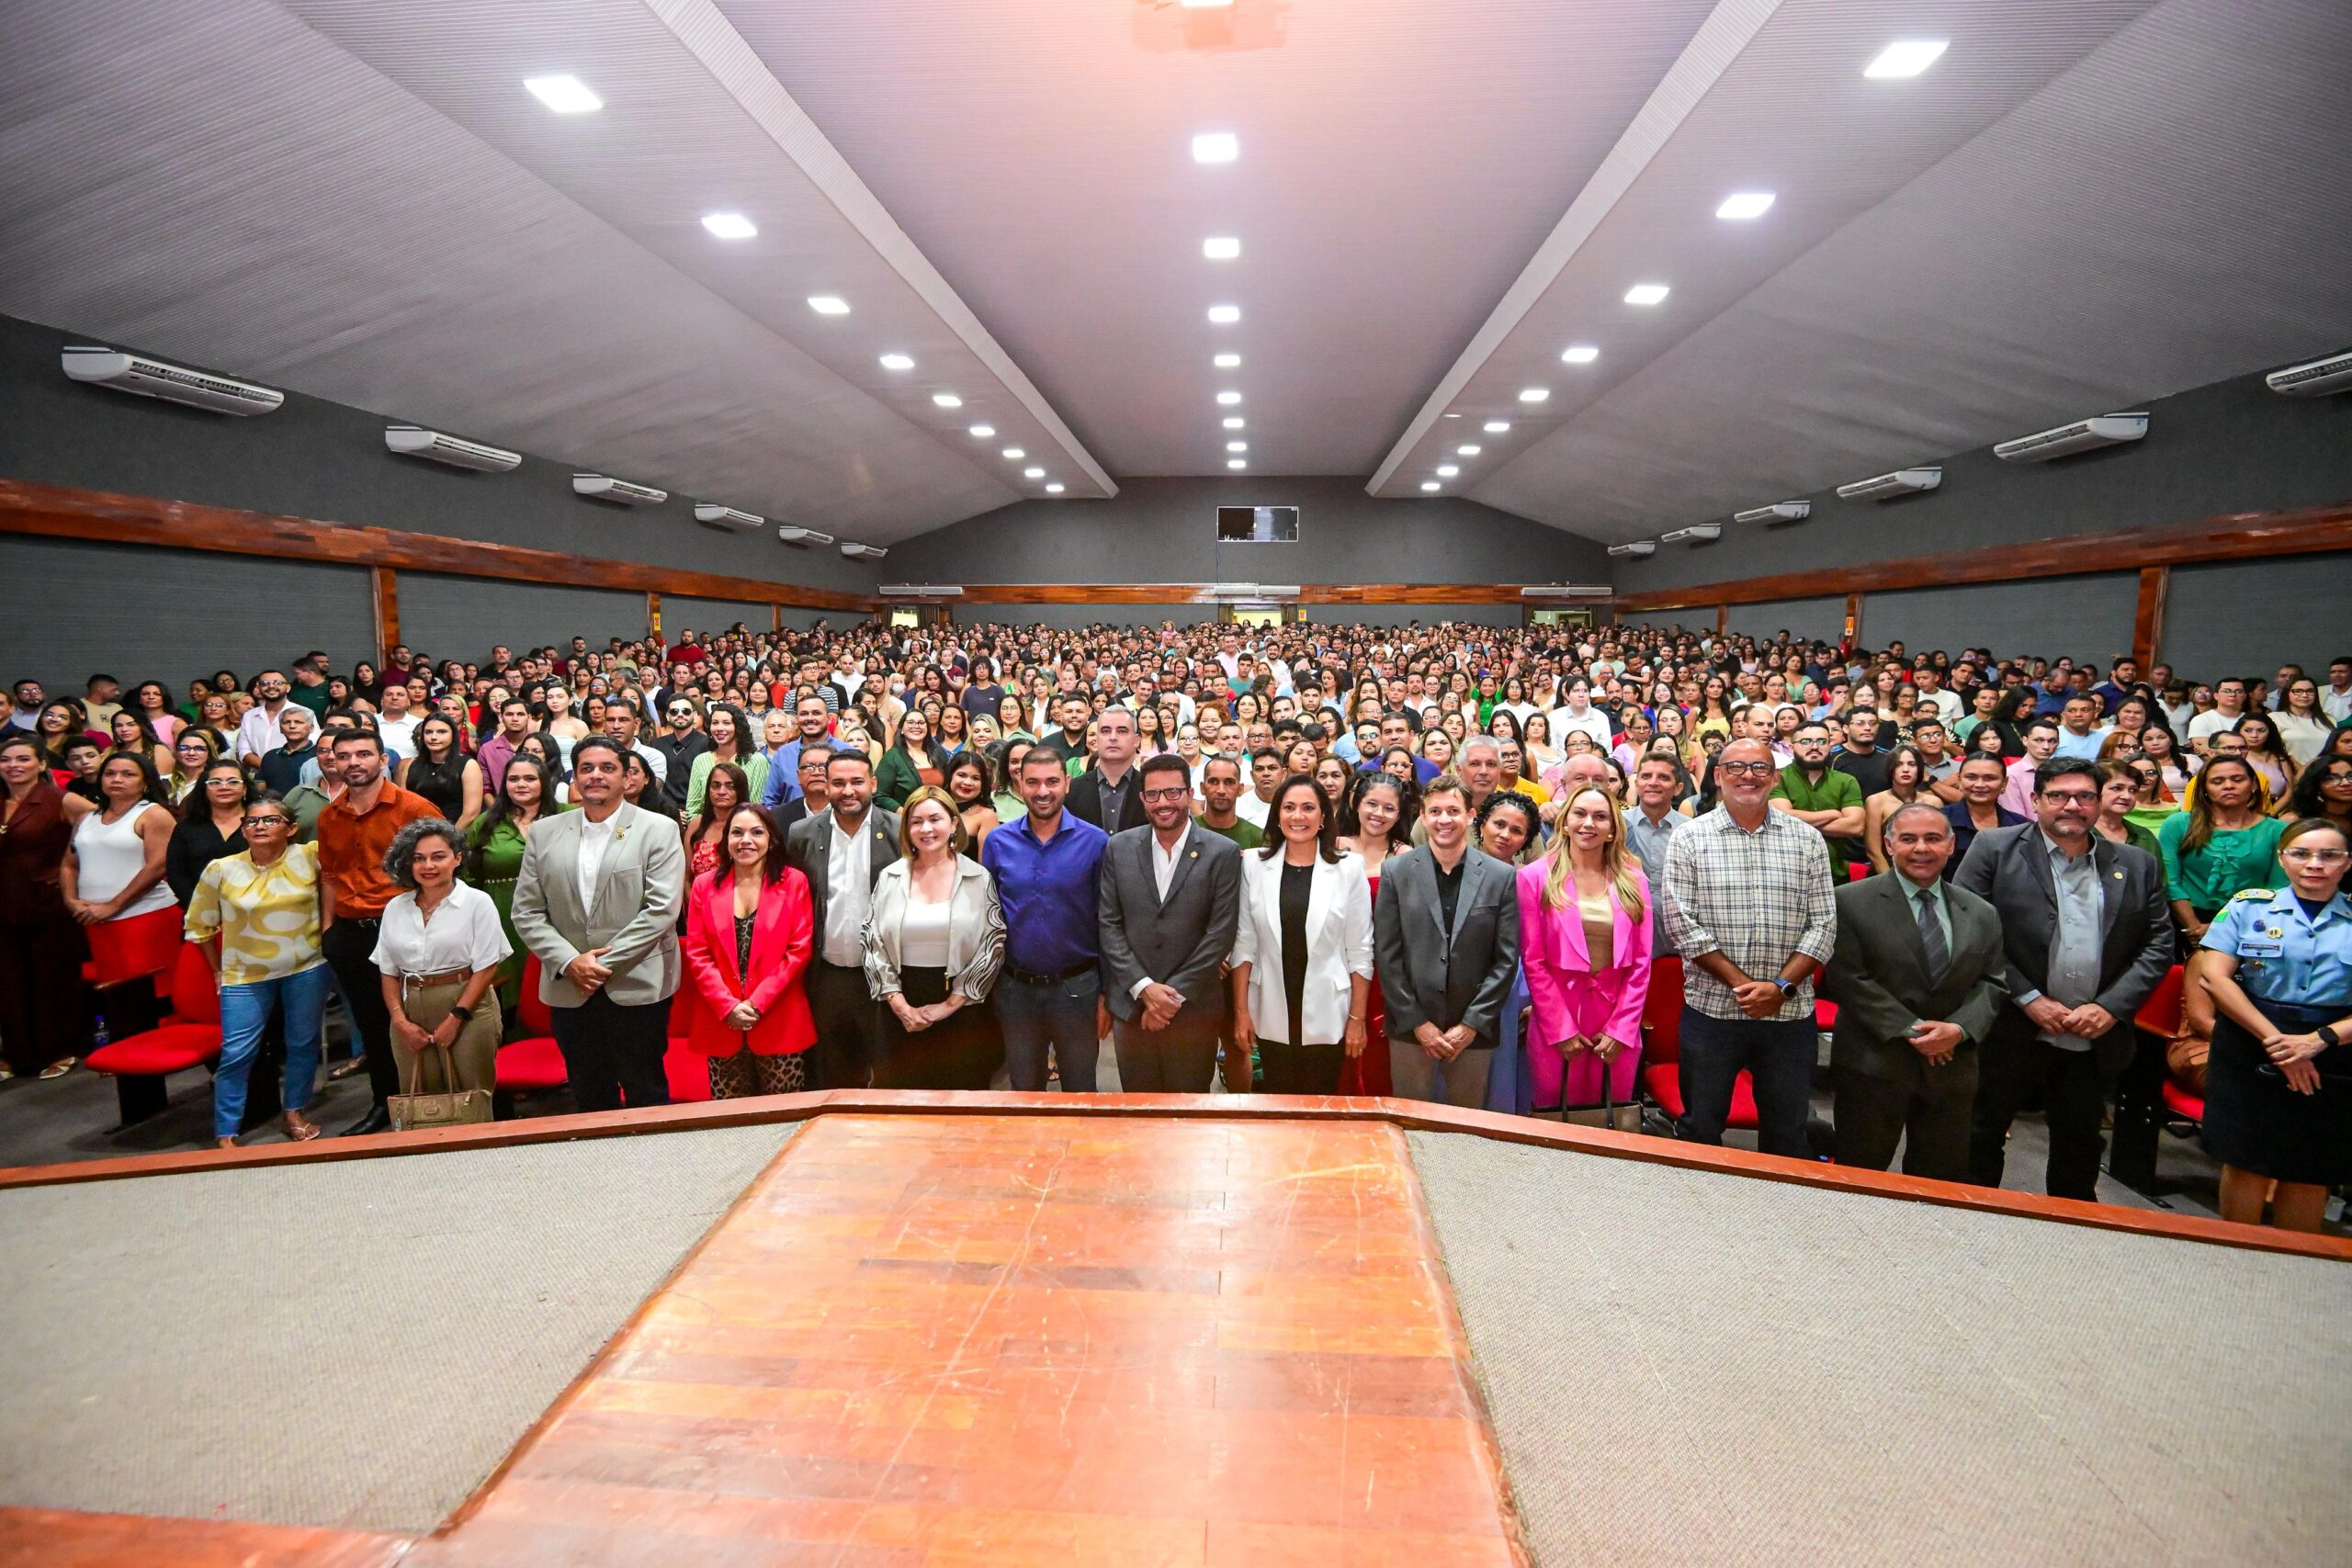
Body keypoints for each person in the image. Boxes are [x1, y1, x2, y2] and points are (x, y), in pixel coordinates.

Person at [1954, 759, 2174, 1201]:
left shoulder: (2137, 863)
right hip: (2008, 1026)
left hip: (2093, 1034)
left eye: (2085, 796)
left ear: (2099, 803)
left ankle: (2072, 1226)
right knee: (1980, 1133)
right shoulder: (1994, 848)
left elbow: (2158, 945)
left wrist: (2111, 1007)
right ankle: (1968, 1217)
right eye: (2058, 795)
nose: (2072, 805)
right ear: (2036, 801)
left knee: (2079, 1144)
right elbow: (1967, 929)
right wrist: (2028, 997)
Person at [1657, 738, 1838, 1158]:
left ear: (1775, 779)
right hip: (1713, 1012)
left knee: (1788, 1131)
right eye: (1736, 767)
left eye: (1760, 768)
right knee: (1701, 1127)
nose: (1748, 776)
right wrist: (1747, 988)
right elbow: (1682, 925)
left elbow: (1824, 924)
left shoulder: (1808, 840)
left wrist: (1779, 988)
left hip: (1789, 1014)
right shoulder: (1689, 838)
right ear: (1718, 776)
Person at [1821, 803, 2007, 1181]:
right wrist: (1914, 1030)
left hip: (1952, 1065)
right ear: (1889, 845)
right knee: (1859, 1177)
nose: (1921, 848)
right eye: (1908, 839)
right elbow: (1846, 978)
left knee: (1940, 1180)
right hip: (1874, 1062)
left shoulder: (1981, 911)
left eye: (1932, 838)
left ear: (1951, 845)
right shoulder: (1849, 901)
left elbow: (1993, 982)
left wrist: (1958, 1030)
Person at [511, 736, 688, 1112]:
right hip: (569, 985)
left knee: (646, 1093)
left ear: (626, 778)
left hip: (637, 984)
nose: (596, 776)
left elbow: (661, 910)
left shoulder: (658, 829)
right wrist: (570, 962)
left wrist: (597, 965)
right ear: (574, 777)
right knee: (589, 1095)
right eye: (586, 768)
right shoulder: (545, 832)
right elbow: (526, 911)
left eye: (608, 768)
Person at [2192, 818, 2352, 1233]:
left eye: (2329, 855)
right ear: (2282, 860)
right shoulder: (2248, 907)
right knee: (2246, 1159)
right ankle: (2238, 1251)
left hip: (2334, 1046)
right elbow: (2214, 977)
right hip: (2251, 1039)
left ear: (2347, 863)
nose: (2314, 864)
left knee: (2310, 1167)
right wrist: (2278, 1041)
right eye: (2301, 853)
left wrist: (2318, 1040)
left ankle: (2295, 1261)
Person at [179, 793, 325, 1145]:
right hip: (244, 975)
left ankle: (294, 1112)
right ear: (243, 830)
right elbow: (199, 926)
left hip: (306, 967)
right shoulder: (221, 869)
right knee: (236, 1052)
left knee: (302, 1043)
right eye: (252, 821)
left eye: (271, 820)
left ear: (291, 828)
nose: (260, 826)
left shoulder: (311, 856)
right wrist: (218, 971)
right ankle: (226, 1131)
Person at [1374, 773, 1521, 1108]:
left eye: (1453, 811)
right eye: (1435, 811)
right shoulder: (1396, 872)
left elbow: (1506, 959)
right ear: (1423, 816)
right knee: (1411, 1122)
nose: (1444, 819)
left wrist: (1471, 1024)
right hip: (1410, 1027)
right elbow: (1387, 955)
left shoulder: (1500, 877)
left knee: (1464, 1127)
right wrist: (1418, 1023)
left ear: (1470, 816)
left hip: (1474, 1031)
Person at [1097, 754, 1242, 1093]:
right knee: (1140, 1110)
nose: (1163, 802)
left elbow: (1220, 934)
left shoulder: (1222, 852)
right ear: (1142, 798)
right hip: (1132, 1008)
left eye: (1173, 792)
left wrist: (1169, 1000)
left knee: (1189, 1112)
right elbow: (1109, 924)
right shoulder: (1119, 847)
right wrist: (1144, 988)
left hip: (1194, 1011)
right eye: (1153, 794)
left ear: (1190, 794)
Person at [1230, 774, 1374, 1096]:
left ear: (1323, 817)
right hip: (1269, 1008)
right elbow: (1244, 944)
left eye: (1308, 808)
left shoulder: (1349, 868)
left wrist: (1357, 1019)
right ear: (1277, 815)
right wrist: (1241, 1012)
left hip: (1330, 1012)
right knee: (1278, 1102)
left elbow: (1361, 951)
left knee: (1321, 1107)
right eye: (1289, 808)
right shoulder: (1253, 864)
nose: (1298, 816)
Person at [981, 748, 1109, 1092]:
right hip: (1016, 989)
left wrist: (1106, 993)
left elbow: (1107, 920)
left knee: (1081, 1091)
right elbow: (987, 918)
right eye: (1033, 782)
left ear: (1067, 783)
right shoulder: (997, 842)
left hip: (1077, 987)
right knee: (1024, 1091)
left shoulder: (1096, 842)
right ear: (1019, 783)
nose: (1042, 791)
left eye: (1052, 782)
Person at [864, 785, 1007, 1089]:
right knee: (899, 1099)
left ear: (954, 823)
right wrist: (899, 1004)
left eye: (935, 819)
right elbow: (871, 940)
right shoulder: (890, 877)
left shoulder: (978, 878)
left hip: (963, 1007)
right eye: (916, 821)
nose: (926, 829)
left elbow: (993, 942)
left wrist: (952, 1004)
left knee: (961, 1099)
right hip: (898, 1005)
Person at [681, 802, 819, 1098]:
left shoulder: (794, 882)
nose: (746, 840)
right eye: (737, 833)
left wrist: (757, 1003)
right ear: (726, 839)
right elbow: (698, 954)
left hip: (779, 1018)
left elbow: (799, 951)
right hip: (722, 1020)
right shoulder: (704, 886)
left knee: (783, 1115)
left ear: (771, 839)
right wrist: (727, 1006)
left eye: (756, 832)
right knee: (730, 1116)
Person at [372, 818, 509, 1112]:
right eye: (418, 858)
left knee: (472, 1097)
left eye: (438, 857)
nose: (428, 866)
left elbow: (486, 967)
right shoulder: (395, 907)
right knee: (420, 1100)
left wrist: (455, 1019)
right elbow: (387, 971)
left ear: (457, 859)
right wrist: (400, 1022)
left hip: (466, 1004)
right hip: (409, 1007)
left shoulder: (477, 902)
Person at [785, 750, 901, 1089]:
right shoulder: (802, 833)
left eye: (857, 782)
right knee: (832, 1072)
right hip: (827, 976)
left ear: (873, 784)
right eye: (838, 783)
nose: (848, 791)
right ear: (827, 786)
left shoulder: (898, 830)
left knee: (888, 1070)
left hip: (884, 975)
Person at [62, 751, 178, 1054]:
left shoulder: (153, 814)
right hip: (95, 918)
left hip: (144, 916)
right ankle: (125, 1052)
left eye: (128, 774)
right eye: (110, 773)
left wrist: (114, 905)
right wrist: (71, 900)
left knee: (146, 993)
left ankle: (152, 1055)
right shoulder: (87, 818)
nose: (117, 779)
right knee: (114, 992)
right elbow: (69, 864)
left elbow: (157, 866)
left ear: (145, 782)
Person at [0, 734, 96, 1080]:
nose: (13, 766)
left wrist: (69, 869)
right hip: (4, 906)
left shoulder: (59, 799)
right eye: (6, 759)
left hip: (48, 905)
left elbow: (99, 827)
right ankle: (15, 1055)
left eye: (23, 759)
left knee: (51, 979)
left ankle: (59, 1049)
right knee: (8, 983)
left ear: (41, 764)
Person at [467, 751, 560, 1020]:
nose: (521, 784)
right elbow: (469, 877)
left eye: (530, 778)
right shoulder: (486, 823)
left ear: (544, 782)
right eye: (513, 779)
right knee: (511, 989)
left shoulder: (567, 816)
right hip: (502, 915)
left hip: (559, 913)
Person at [1335, 773, 1412, 1097]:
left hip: (1383, 969)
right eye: (1372, 804)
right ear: (1356, 803)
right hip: (1335, 964)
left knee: (1376, 1055)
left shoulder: (1405, 856)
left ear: (1399, 814)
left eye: (1389, 808)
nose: (1378, 814)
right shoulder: (1334, 846)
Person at [2159, 758, 2286, 944]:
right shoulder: (2178, 824)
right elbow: (2170, 881)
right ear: (2204, 788)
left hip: (2253, 922)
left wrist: (2222, 928)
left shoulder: (2276, 830)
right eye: (2217, 781)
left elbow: (2278, 887)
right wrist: (2194, 927)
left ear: (2253, 784)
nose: (2228, 786)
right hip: (2188, 924)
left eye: (2237, 779)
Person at [1769, 722, 1866, 882]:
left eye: (1821, 741)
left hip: (1835, 876)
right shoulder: (1777, 778)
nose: (1814, 747)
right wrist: (1832, 814)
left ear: (1830, 746)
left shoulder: (1846, 781)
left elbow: (1856, 826)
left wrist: (1797, 821)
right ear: (1792, 748)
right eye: (1806, 742)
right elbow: (1781, 818)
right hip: (1788, 875)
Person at [165, 759, 253, 905]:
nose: (224, 787)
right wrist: (203, 908)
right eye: (215, 782)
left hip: (257, 908)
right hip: (199, 908)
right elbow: (177, 874)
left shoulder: (260, 823)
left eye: (233, 782)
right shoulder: (187, 827)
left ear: (245, 788)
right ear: (204, 789)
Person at [1067, 704, 1148, 835]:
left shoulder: (1149, 790)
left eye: (1122, 731)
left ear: (1136, 740)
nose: (1113, 737)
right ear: (1097, 739)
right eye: (1105, 731)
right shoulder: (1072, 790)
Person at [396, 715, 483, 829]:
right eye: (428, 732)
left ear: (453, 735)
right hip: (416, 834)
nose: (433, 737)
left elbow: (471, 813)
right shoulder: (411, 764)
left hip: (455, 833)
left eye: (442, 732)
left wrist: (447, 838)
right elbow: (403, 807)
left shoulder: (468, 765)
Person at [684, 703, 766, 822]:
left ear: (738, 727)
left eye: (726, 723)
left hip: (743, 827)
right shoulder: (700, 760)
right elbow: (693, 807)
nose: (719, 728)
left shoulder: (756, 760)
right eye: (715, 723)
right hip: (707, 827)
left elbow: (756, 806)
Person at [874, 707, 948, 811]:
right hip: (905, 818)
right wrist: (904, 814)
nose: (916, 726)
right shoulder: (892, 757)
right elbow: (879, 796)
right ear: (901, 729)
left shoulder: (938, 753)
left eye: (921, 723)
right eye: (910, 722)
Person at [944, 752, 1000, 851]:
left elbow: (987, 860)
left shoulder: (987, 816)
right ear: (950, 775)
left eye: (975, 778)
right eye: (962, 775)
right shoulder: (934, 806)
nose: (968, 783)